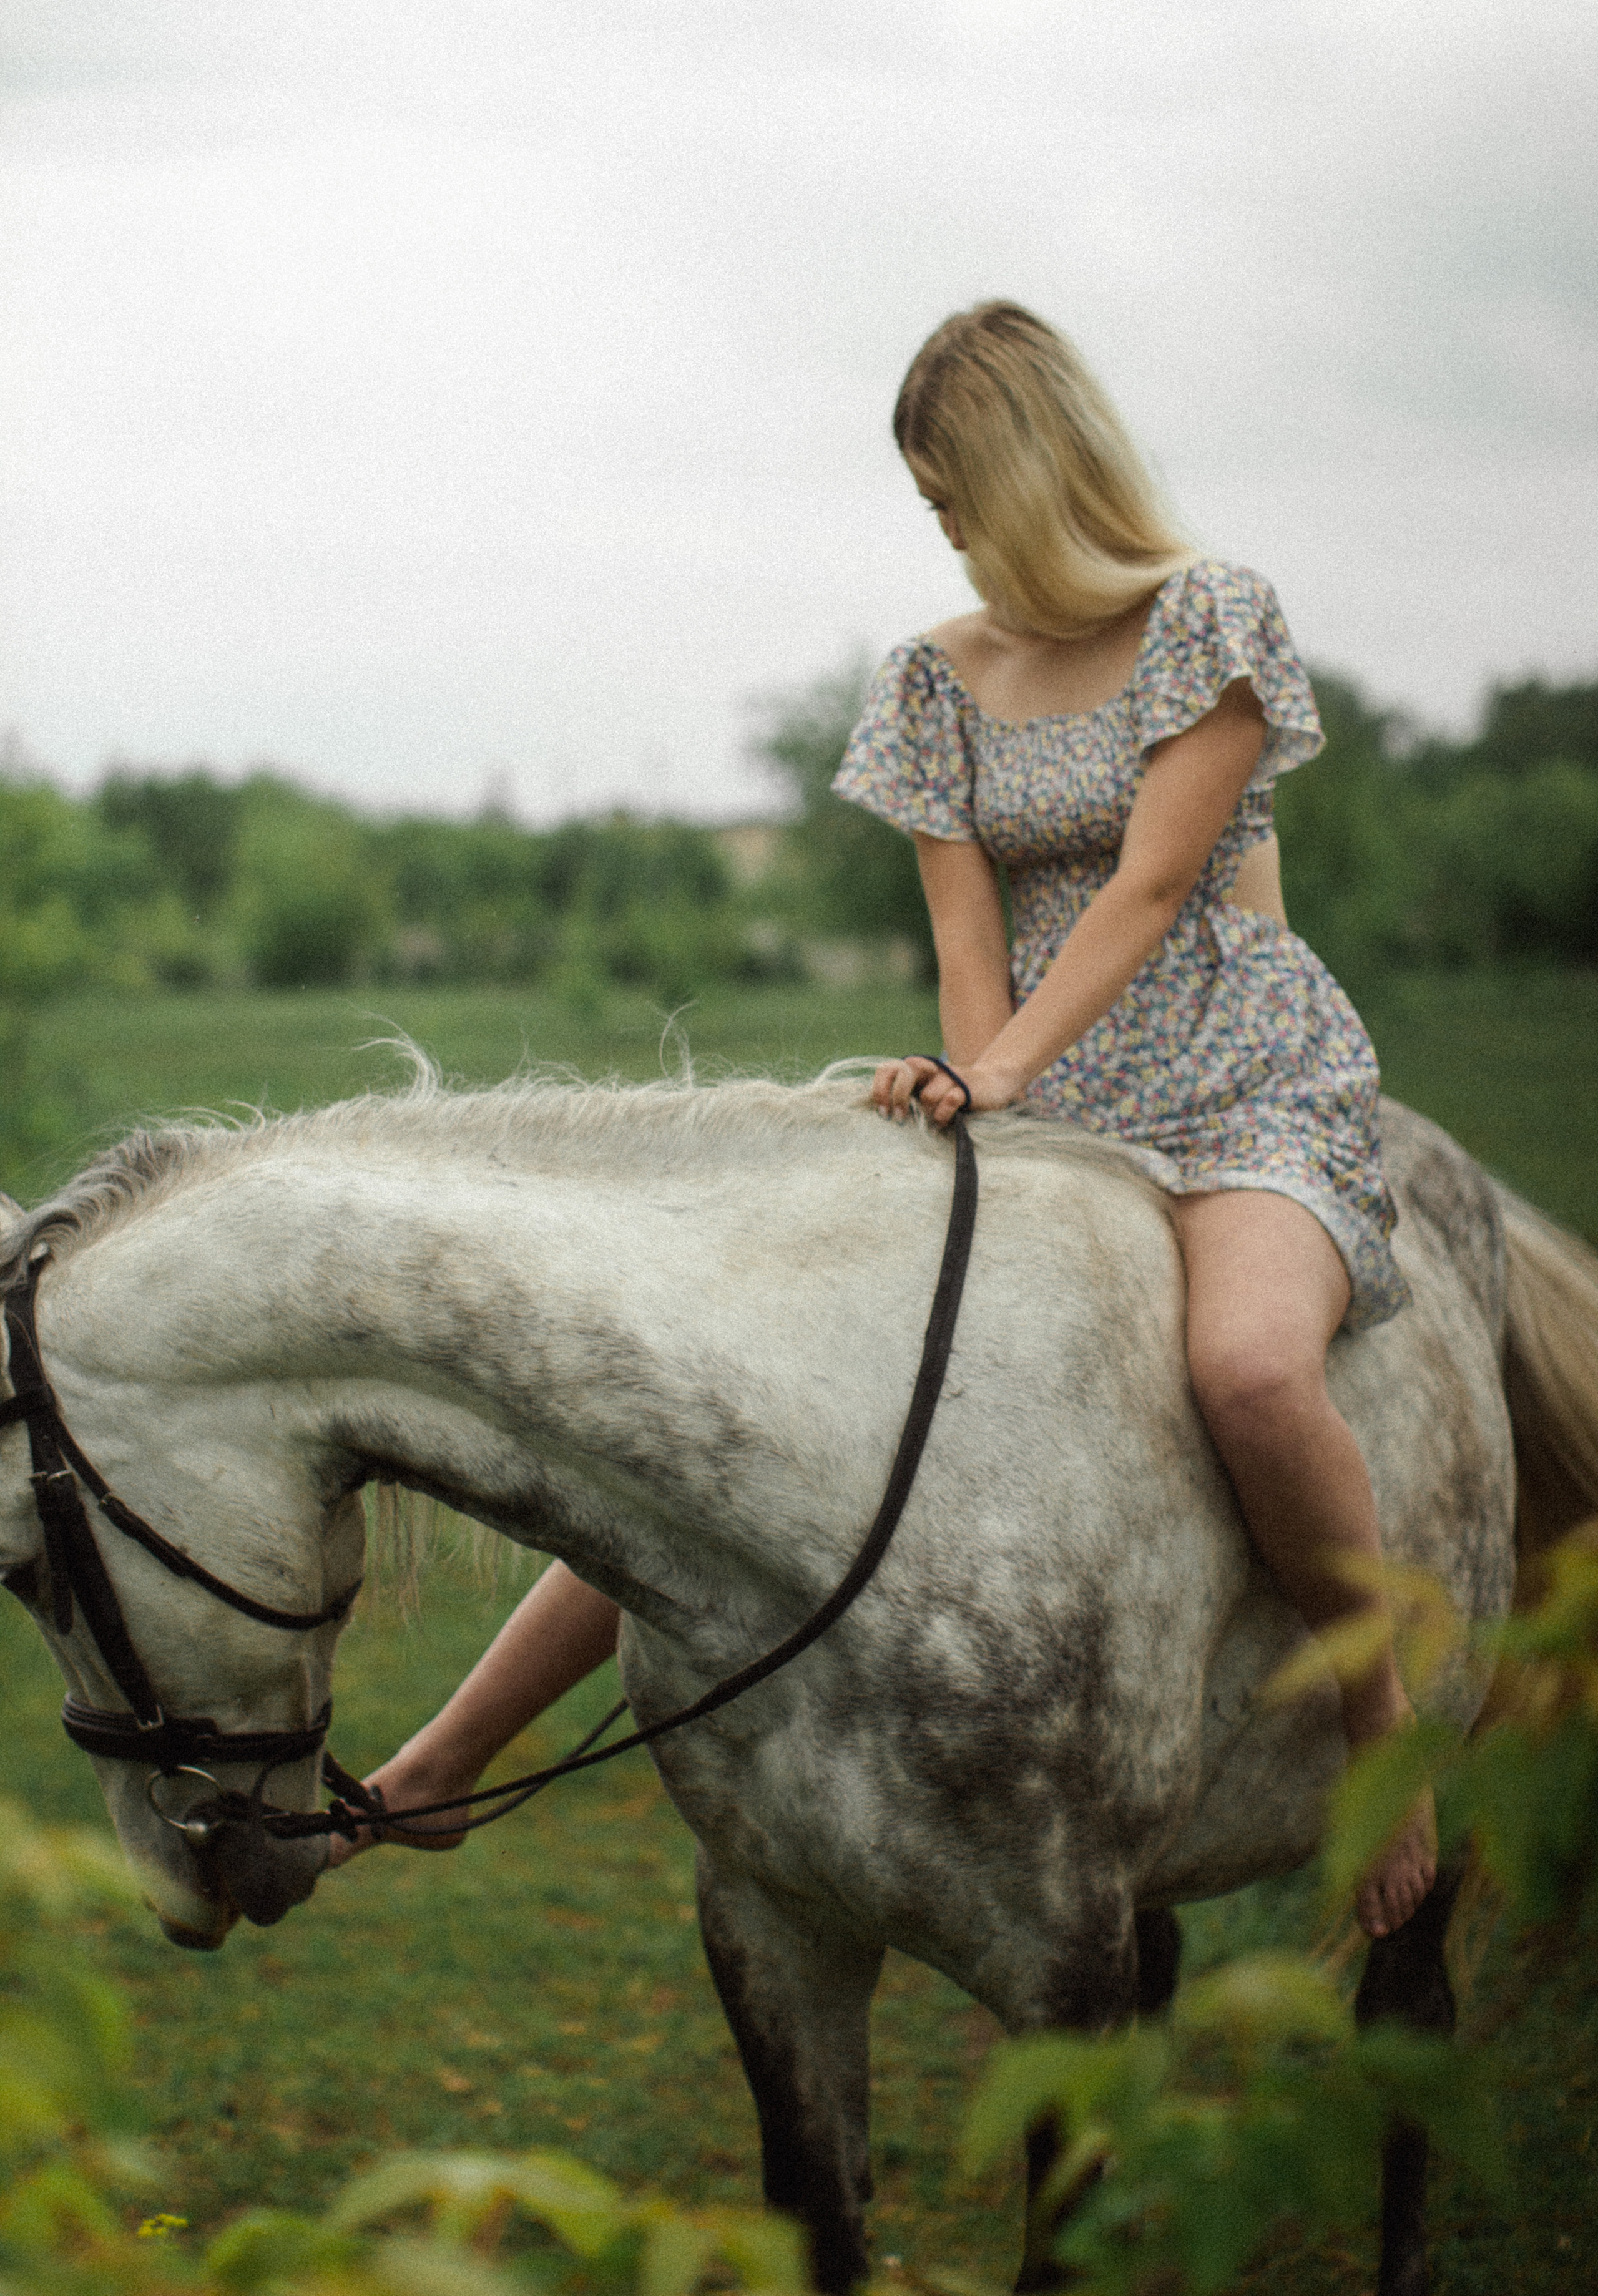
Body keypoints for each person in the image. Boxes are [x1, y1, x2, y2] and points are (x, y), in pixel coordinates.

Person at [331, 300, 1433, 1940]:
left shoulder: (1216, 620)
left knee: (1251, 1372)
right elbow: (968, 944)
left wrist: (1000, 1079)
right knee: (758, 1403)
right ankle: (437, 1768)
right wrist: (985, 1103)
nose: (951, 536)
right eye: (931, 511)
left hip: (1237, 1081)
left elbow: (1146, 888)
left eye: (956, 495)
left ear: (1037, 470)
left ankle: (1388, 1746)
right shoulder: (934, 679)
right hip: (1043, 1092)